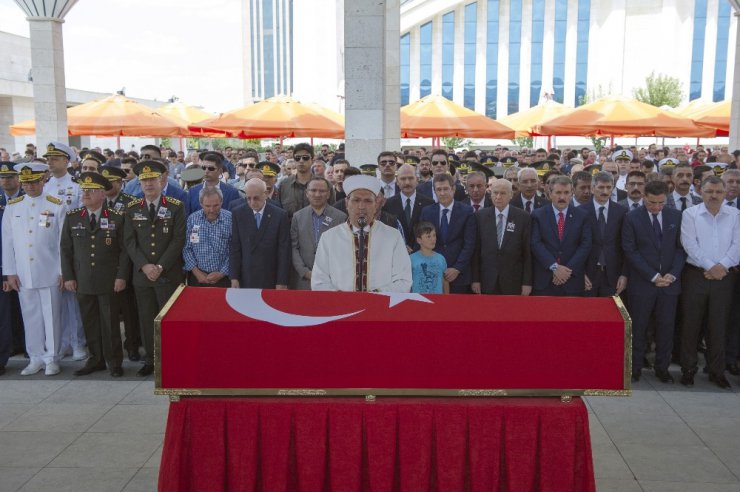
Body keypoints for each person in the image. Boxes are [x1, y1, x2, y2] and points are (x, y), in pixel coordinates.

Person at [60, 172, 129, 377]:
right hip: (83, 280)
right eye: (84, 191)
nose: (86, 194)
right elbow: (65, 249)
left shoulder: (116, 217)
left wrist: (121, 276)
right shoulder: (73, 217)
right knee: (89, 322)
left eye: (91, 191)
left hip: (109, 280)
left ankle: (114, 361)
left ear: (102, 194)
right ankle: (96, 359)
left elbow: (125, 250)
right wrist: (69, 276)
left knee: (110, 324)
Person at [2, 162, 67, 376]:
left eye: (34, 182)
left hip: (49, 270)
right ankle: (36, 357)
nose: (30, 187)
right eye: (26, 182)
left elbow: (61, 243)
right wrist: (10, 272)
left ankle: (52, 358)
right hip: (23, 272)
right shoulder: (14, 207)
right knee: (30, 316)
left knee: (51, 317)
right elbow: (8, 241)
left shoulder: (56, 204)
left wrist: (62, 270)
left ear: (43, 180)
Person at [123, 160, 186, 377]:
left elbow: (178, 240)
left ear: (161, 180)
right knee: (146, 318)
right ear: (139, 183)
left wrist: (160, 266)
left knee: (169, 319)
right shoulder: (132, 209)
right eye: (144, 180)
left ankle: (173, 357)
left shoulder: (175, 206)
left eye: (152, 179)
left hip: (167, 273)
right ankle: (151, 359)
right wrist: (145, 265)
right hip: (143, 275)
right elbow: (130, 242)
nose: (149, 184)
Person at [622, 180, 685, 383]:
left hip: (670, 284)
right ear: (643, 197)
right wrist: (653, 276)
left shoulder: (676, 216)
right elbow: (630, 250)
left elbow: (680, 249)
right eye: (651, 203)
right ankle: (635, 367)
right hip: (643, 284)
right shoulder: (632, 218)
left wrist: (672, 275)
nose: (656, 207)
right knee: (638, 327)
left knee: (666, 328)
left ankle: (662, 368)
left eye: (660, 203)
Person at [679, 176, 740, 389]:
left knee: (719, 325)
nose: (714, 196)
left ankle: (717, 371)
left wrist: (721, 267)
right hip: (696, 275)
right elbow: (689, 244)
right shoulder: (690, 214)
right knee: (691, 324)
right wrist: (710, 267)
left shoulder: (735, 215)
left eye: (718, 192)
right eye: (709, 191)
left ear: (725, 194)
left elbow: (737, 244)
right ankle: (688, 369)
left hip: (725, 276)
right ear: (700, 192)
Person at [312, 175, 412, 292]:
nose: (361, 207)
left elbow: (403, 280)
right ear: (346, 203)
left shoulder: (392, 236)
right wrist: (345, 301)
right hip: (342, 308)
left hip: (381, 307)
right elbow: (319, 281)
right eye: (356, 200)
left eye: (368, 201)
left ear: (376, 205)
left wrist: (373, 298)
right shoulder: (329, 237)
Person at [43, 142, 87, 360]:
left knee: (72, 298)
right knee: (53, 300)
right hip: (47, 249)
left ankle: (77, 342)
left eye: (55, 158)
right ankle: (60, 342)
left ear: (66, 161)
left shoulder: (77, 186)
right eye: (48, 158)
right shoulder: (44, 185)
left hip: (70, 247)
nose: (50, 162)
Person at [531, 176, 592, 296]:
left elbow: (585, 245)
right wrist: (554, 267)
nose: (562, 197)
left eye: (566, 193)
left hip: (572, 280)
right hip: (545, 280)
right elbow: (536, 244)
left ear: (572, 193)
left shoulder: (582, 216)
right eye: (558, 192)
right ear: (550, 193)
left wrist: (566, 271)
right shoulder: (538, 215)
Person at [471, 179, 532, 295]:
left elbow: (527, 253)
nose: (498, 197)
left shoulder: (523, 217)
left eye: (503, 193)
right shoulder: (480, 216)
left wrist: (527, 282)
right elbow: (476, 251)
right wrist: (475, 279)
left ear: (511, 195)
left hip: (513, 281)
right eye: (495, 192)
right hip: (486, 280)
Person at [419, 174, 476, 294]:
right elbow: (423, 243)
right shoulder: (427, 212)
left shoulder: (467, 211)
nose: (442, 193)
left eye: (446, 189)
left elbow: (469, 244)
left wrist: (457, 268)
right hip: (432, 274)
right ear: (434, 191)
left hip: (459, 276)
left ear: (453, 189)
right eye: (439, 189)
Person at [230, 178, 290, 289]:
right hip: (246, 276)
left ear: (265, 194)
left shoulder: (280, 215)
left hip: (271, 276)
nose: (252, 202)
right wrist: (234, 277)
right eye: (248, 198)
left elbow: (284, 250)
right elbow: (235, 247)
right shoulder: (238, 213)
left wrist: (282, 281)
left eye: (256, 198)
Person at [290, 177, 347, 290]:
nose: (317, 194)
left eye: (322, 191)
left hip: (331, 280)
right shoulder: (298, 216)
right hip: (304, 280)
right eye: (313, 190)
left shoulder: (340, 217)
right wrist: (304, 271)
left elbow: (343, 249)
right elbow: (294, 247)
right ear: (307, 193)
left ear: (328, 194)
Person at [582, 171, 628, 297]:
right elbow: (575, 244)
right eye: (601, 187)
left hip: (613, 274)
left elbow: (626, 246)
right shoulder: (580, 212)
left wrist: (624, 274)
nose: (605, 191)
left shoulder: (622, 212)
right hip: (588, 274)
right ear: (592, 189)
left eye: (608, 187)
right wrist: (580, 273)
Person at [183, 187, 232, 288]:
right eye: (207, 206)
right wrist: (196, 272)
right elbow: (186, 248)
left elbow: (235, 249)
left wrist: (222, 273)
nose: (212, 210)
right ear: (201, 204)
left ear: (222, 202)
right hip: (197, 278)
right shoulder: (192, 219)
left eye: (216, 205)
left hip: (224, 279)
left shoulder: (230, 219)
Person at [383, 163, 434, 252]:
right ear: (397, 181)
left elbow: (431, 231)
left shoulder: (429, 203)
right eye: (403, 179)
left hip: (422, 254)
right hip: (396, 254)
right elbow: (386, 232)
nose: (407, 182)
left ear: (417, 180)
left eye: (410, 178)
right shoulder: (388, 204)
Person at [278, 142, 314, 219]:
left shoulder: (323, 185)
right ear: (294, 160)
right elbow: (279, 214)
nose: (301, 161)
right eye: (297, 158)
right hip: (290, 229)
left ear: (312, 160)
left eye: (305, 157)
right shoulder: (284, 185)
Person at [410, 221, 448, 294]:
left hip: (437, 301)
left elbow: (445, 282)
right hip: (418, 301)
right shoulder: (411, 259)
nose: (433, 239)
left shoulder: (441, 259)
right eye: (428, 236)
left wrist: (446, 300)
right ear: (419, 240)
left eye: (434, 235)